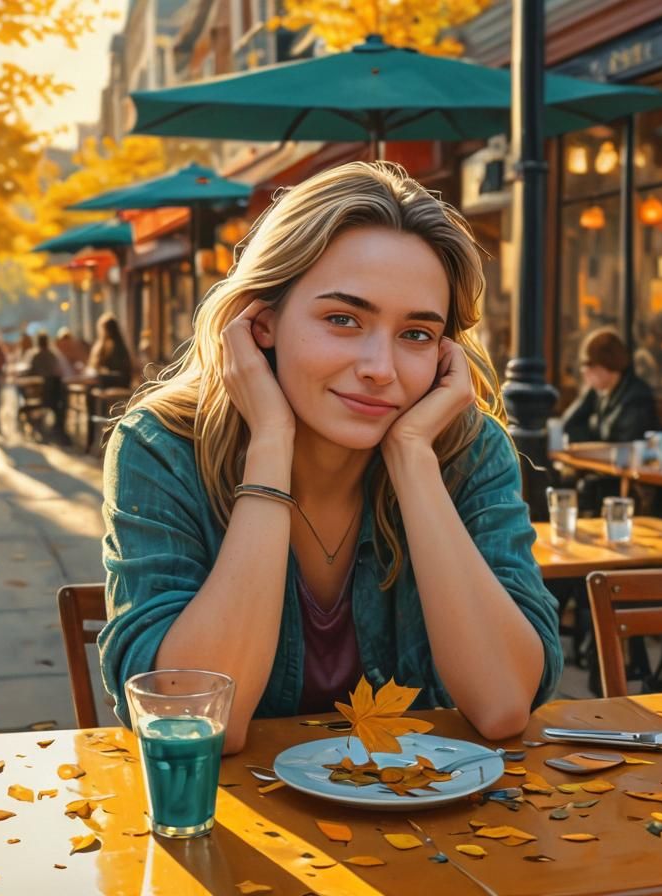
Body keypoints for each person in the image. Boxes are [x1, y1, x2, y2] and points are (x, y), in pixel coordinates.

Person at [98, 161, 562, 754]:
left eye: (416, 334)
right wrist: (270, 439)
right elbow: (200, 720)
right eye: (343, 320)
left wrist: (414, 459)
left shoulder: (466, 451)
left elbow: (502, 706)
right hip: (235, 827)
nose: (380, 367)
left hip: (426, 819)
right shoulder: (161, 448)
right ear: (261, 324)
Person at [561, 327, 661, 444]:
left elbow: (625, 446)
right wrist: (588, 392)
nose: (585, 373)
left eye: (591, 366)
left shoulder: (637, 397)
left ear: (608, 365)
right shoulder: (600, 393)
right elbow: (567, 425)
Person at [21, 331, 67, 437]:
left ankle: (32, 423)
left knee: (23, 393)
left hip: (39, 394)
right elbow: (57, 371)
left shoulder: (34, 355)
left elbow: (29, 372)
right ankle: (56, 428)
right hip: (54, 397)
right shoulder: (52, 355)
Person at [87, 312, 136, 387]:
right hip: (116, 379)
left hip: (119, 380)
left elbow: (119, 369)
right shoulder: (103, 345)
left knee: (94, 379)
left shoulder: (116, 346)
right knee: (92, 377)